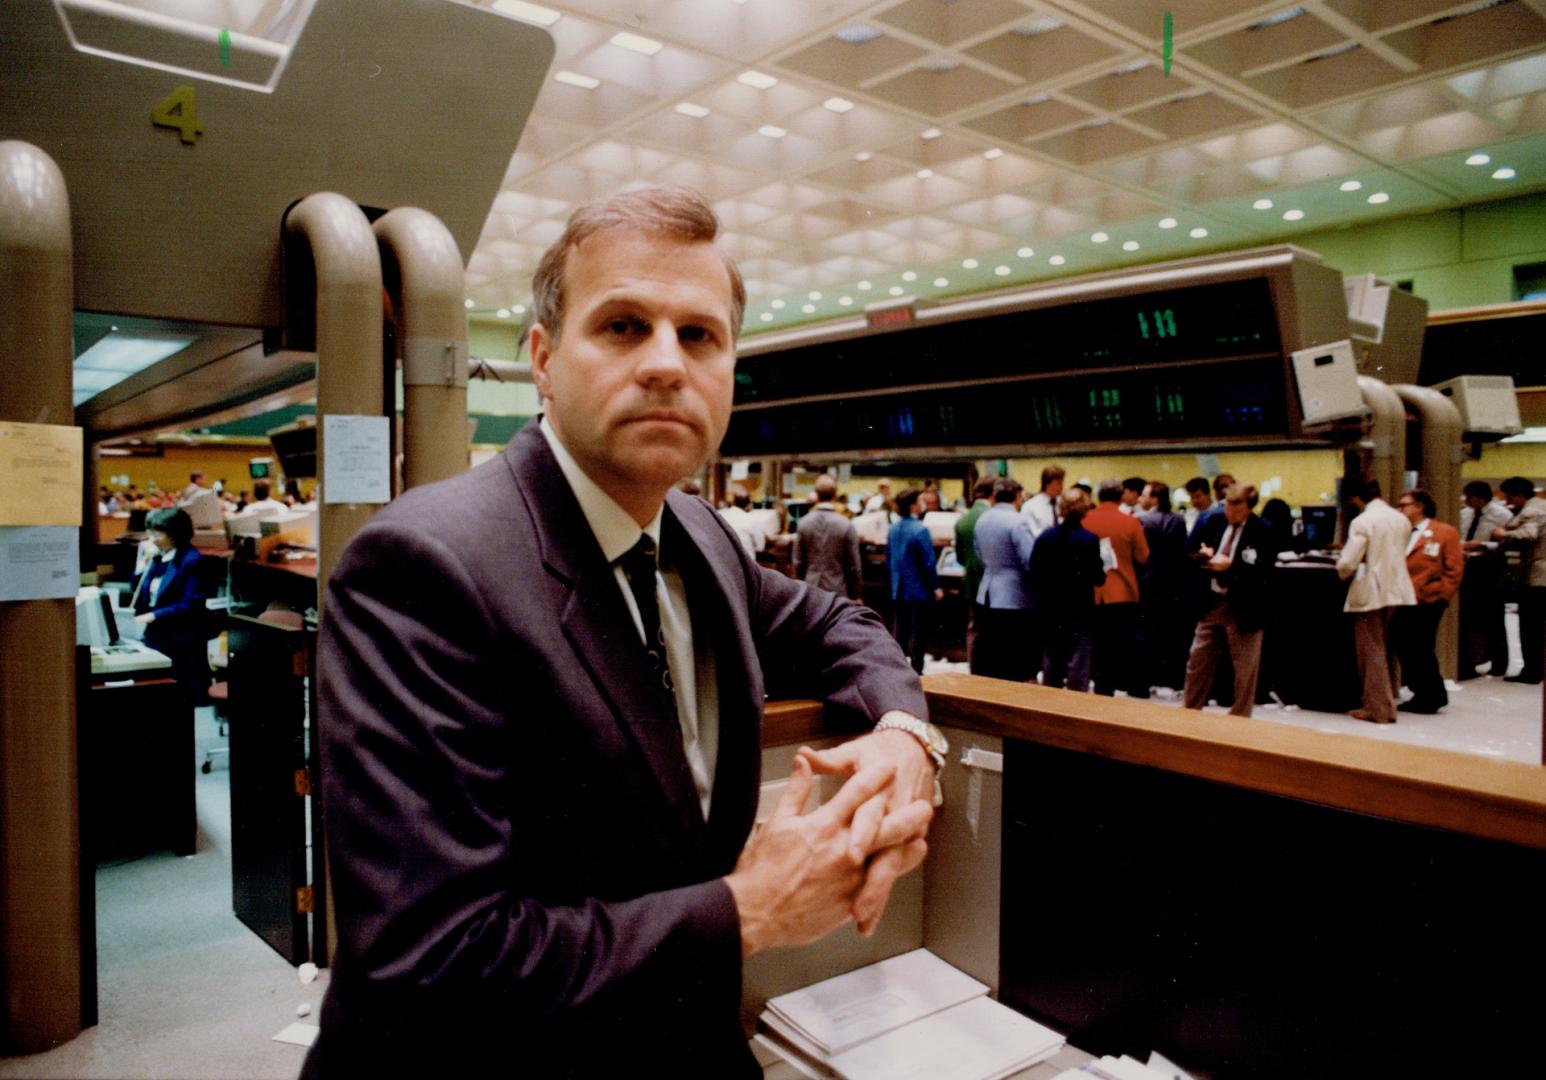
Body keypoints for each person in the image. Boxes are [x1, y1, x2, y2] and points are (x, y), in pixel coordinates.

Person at [302, 188, 940, 1079]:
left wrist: (905, 734)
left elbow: (840, 622)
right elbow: (429, 960)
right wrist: (751, 909)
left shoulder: (701, 537)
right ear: (543, 359)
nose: (666, 364)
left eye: (700, 335)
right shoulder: (425, 567)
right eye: (623, 326)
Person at [1183, 484, 1277, 718]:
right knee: (1197, 660)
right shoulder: (1214, 522)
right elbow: (1189, 552)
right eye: (1227, 506)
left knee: (1245, 669)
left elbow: (1264, 573)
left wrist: (1231, 567)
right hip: (1212, 602)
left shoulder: (1263, 530)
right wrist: (1203, 557)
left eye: (1237, 507)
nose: (1230, 512)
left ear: (1249, 507)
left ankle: (1240, 717)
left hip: (1244, 606)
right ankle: (1190, 711)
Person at [1336, 477, 1416, 723]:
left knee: (1370, 650)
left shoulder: (1363, 521)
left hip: (1371, 589)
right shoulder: (1400, 518)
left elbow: (1348, 562)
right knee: (1381, 648)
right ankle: (1386, 705)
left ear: (1356, 498)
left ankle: (1377, 709)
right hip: (1397, 587)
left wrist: (1341, 567)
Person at [130, 507, 211, 707]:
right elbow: (138, 592)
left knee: (177, 700)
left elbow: (190, 604)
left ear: (176, 533)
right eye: (150, 531)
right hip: (156, 633)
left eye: (158, 532)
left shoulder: (192, 560)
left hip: (180, 636)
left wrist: (154, 615)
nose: (151, 538)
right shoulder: (158, 557)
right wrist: (142, 563)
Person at [1391, 489, 1463, 713]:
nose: (1400, 509)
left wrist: (1440, 593)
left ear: (1420, 506)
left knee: (1420, 646)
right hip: (1404, 597)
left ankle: (1430, 695)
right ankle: (1423, 691)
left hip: (1428, 599)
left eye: (1404, 505)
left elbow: (1454, 569)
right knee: (1404, 643)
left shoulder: (1444, 532)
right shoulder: (1401, 533)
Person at [1030, 488, 1105, 692]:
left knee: (1052, 662)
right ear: (1084, 510)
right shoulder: (1089, 539)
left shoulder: (1046, 537)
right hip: (1080, 608)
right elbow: (1098, 577)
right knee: (1078, 664)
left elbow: (1034, 569)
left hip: (1050, 606)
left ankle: (1050, 706)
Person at [1084, 479, 1150, 698]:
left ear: (1098, 496)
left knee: (1100, 644)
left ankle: (1104, 686)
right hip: (1124, 589)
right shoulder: (1130, 522)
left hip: (1094, 591)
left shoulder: (1085, 519)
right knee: (1128, 642)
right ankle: (1135, 685)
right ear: (1121, 496)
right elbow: (1143, 556)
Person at [970, 478, 1037, 682]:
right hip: (1014, 593)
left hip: (988, 589)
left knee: (992, 649)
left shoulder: (982, 519)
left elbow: (979, 554)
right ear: (1017, 496)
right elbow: (1029, 560)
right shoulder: (1018, 521)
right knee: (1013, 653)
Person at [1491, 476, 1546, 684]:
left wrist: (1502, 533)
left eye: (1509, 498)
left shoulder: (1533, 510)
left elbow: (1528, 534)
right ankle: (1536, 668)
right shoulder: (1542, 506)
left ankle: (1531, 671)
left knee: (1531, 627)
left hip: (1537, 575)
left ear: (1520, 495)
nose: (1508, 502)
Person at [1137, 481, 1190, 693]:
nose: (1142, 499)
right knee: (1170, 635)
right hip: (1172, 585)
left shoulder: (1143, 520)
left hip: (1147, 582)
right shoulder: (1179, 520)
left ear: (1155, 498)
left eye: (1145, 495)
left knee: (1145, 634)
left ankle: (1145, 679)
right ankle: (1170, 679)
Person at [1458, 480, 1513, 678]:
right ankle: (1470, 660)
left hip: (1490, 566)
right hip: (1468, 565)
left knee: (1493, 615)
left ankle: (1499, 662)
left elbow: (1508, 543)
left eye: (1468, 497)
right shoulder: (1464, 514)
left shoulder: (1503, 515)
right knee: (1468, 616)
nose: (1466, 501)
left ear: (1479, 498)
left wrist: (1482, 544)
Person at [888, 488, 941, 675]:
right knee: (919, 632)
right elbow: (928, 562)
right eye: (920, 500)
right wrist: (936, 587)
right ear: (912, 505)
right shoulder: (920, 529)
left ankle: (898, 669)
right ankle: (917, 670)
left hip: (898, 587)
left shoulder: (893, 528)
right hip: (919, 589)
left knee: (900, 631)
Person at [793, 473, 862, 600]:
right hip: (837, 590)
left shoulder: (803, 523)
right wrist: (856, 594)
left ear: (816, 495)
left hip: (810, 587)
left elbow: (798, 562)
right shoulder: (846, 524)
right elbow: (854, 565)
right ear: (835, 495)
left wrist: (798, 593)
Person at [955, 476, 996, 666]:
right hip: (993, 584)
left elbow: (960, 559)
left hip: (971, 582)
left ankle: (974, 666)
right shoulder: (991, 517)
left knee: (974, 627)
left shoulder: (962, 521)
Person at [718, 484, 764, 559]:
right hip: (745, 564)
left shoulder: (720, 514)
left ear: (733, 502)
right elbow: (760, 546)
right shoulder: (751, 519)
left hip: (721, 562)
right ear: (748, 505)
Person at [1020, 465, 1064, 539]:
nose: (1062, 487)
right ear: (1047, 484)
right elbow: (1032, 533)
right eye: (1058, 483)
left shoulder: (1064, 503)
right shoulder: (1030, 506)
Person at [1184, 476, 1219, 549]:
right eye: (1191, 497)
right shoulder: (1188, 515)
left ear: (1208, 494)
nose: (1194, 501)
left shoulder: (1219, 512)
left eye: (1198, 496)